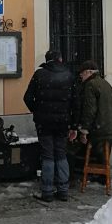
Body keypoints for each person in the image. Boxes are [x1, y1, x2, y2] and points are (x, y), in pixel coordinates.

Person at [23, 50, 77, 203]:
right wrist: (73, 124)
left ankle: (47, 191)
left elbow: (27, 97)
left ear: (47, 60)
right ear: (59, 59)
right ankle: (63, 190)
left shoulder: (39, 75)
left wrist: (38, 111)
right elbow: (76, 102)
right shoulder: (69, 75)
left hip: (44, 122)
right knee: (61, 154)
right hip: (63, 122)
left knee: (47, 155)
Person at [77, 60, 112, 161]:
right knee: (104, 155)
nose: (81, 75)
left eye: (82, 73)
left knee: (80, 148)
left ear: (89, 72)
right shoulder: (104, 83)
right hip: (110, 126)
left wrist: (84, 130)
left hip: (101, 129)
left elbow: (89, 110)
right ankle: (102, 173)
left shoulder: (90, 85)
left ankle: (95, 173)